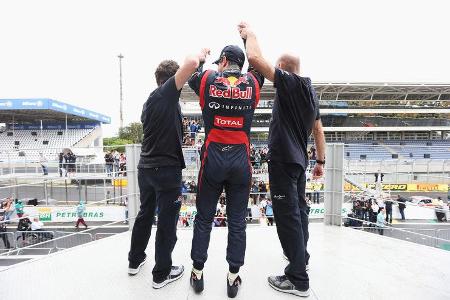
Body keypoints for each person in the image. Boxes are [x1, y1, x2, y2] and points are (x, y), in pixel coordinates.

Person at [239, 22, 326, 297]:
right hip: (300, 162)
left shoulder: (290, 84)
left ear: (284, 69)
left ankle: (298, 280)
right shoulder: (311, 92)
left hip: (284, 161)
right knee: (299, 213)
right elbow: (318, 129)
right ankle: (301, 258)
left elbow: (254, 59)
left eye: (276, 68)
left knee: (287, 216)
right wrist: (320, 163)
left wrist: (249, 35)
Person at [128, 49, 209, 290]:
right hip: (165, 170)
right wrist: (201, 57)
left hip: (147, 168)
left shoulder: (149, 101)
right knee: (166, 222)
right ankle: (161, 274)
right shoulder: (165, 94)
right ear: (171, 80)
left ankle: (135, 260)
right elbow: (191, 63)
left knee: (145, 214)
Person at [188, 40, 264, 297]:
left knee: (204, 218)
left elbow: (191, 71)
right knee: (237, 222)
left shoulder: (208, 79)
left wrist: (201, 57)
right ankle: (233, 278)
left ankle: (197, 273)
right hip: (241, 160)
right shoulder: (253, 83)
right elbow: (258, 61)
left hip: (213, 158)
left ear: (222, 62)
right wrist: (247, 38)